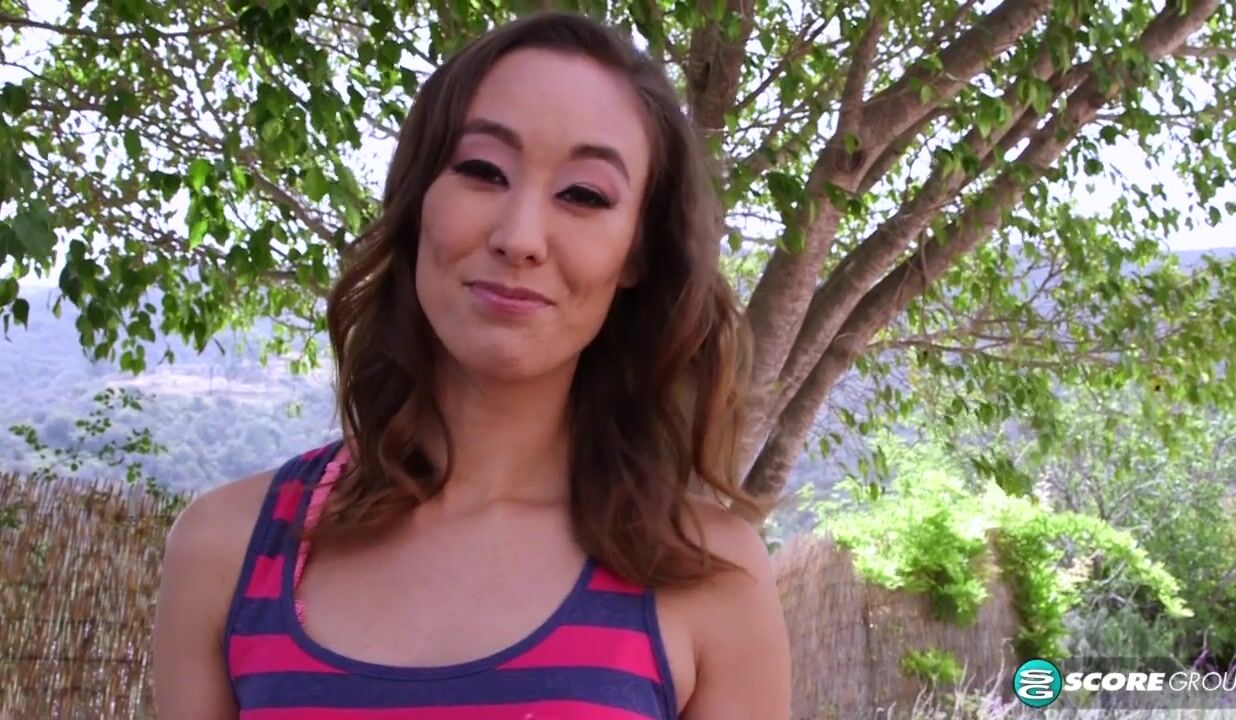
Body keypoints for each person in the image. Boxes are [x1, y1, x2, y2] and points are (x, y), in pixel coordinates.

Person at [151, 10, 791, 719]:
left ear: (638, 251)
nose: (520, 238)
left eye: (584, 195)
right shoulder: (226, 549)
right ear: (418, 201)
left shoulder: (709, 576)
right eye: (483, 171)